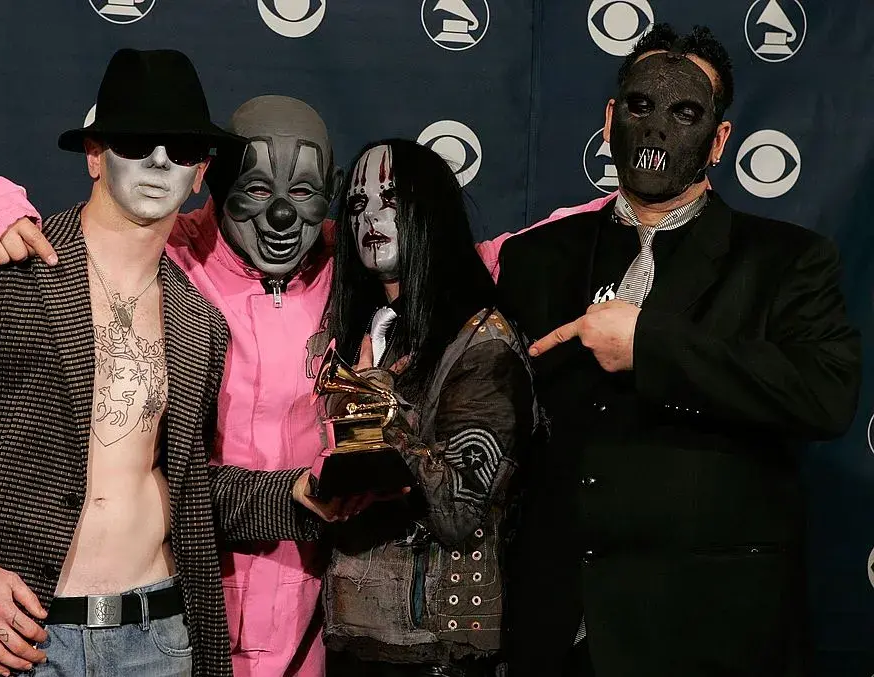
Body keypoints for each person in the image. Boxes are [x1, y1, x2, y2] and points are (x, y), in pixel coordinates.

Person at [0, 49, 354, 677]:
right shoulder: (6, 268)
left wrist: (298, 495)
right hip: (20, 637)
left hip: (159, 638)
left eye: (181, 149)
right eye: (136, 142)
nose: (159, 161)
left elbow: (183, 485)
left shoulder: (200, 323)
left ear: (201, 174)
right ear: (95, 155)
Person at [495, 25, 862, 677]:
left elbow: (824, 393)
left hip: (708, 636)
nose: (657, 129)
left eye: (686, 112)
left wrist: (649, 345)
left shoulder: (786, 262)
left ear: (719, 140)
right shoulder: (534, 258)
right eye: (641, 106)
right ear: (610, 120)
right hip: (557, 633)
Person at [317, 139, 541, 677]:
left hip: (439, 652)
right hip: (357, 639)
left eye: (391, 200)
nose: (371, 217)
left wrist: (378, 410)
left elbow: (459, 510)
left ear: (429, 210)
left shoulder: (482, 344)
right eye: (357, 204)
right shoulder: (370, 330)